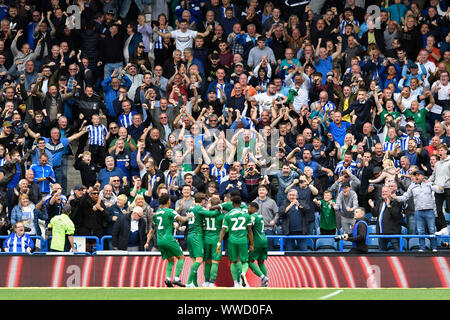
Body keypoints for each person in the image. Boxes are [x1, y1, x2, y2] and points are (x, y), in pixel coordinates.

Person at [145, 194, 194, 287]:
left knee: (170, 259)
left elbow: (155, 225)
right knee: (181, 257)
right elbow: (182, 219)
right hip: (168, 239)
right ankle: (176, 279)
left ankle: (168, 279)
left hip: (159, 241)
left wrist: (174, 226)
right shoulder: (170, 211)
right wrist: (189, 216)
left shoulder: (157, 212)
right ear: (168, 201)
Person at [393, 170, 442, 252]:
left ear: (423, 176)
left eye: (418, 175)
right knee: (420, 231)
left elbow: (438, 189)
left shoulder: (428, 184)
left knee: (432, 230)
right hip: (418, 212)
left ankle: (434, 247)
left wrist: (440, 187)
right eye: (415, 175)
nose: (416, 177)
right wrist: (396, 198)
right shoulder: (412, 186)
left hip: (429, 211)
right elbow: (405, 197)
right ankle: (422, 248)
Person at [216, 194, 254, 288]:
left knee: (233, 261)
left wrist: (219, 243)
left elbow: (223, 230)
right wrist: (252, 244)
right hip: (243, 240)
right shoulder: (246, 215)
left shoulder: (228, 215)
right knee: (244, 261)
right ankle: (243, 274)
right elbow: (250, 231)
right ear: (241, 204)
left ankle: (236, 283)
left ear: (232, 204)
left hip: (232, 240)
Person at [185, 192, 221, 288]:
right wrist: (219, 210)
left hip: (190, 235)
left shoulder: (191, 207)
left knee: (194, 260)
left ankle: (195, 284)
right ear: (202, 201)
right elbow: (210, 213)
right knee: (200, 259)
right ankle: (188, 282)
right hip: (197, 235)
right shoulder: (199, 208)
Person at [368, 186, 403, 251]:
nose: (383, 193)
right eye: (382, 192)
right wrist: (372, 206)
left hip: (393, 233)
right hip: (381, 233)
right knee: (381, 254)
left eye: (385, 191)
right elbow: (375, 215)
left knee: (398, 251)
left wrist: (389, 205)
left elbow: (395, 215)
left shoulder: (395, 201)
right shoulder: (380, 202)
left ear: (390, 192)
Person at [247, 201, 270, 287]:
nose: (248, 209)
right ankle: (265, 283)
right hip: (264, 239)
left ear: (253, 208)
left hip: (257, 240)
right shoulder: (260, 216)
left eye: (249, 208)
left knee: (249, 261)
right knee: (261, 261)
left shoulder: (253, 216)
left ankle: (263, 276)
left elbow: (250, 225)